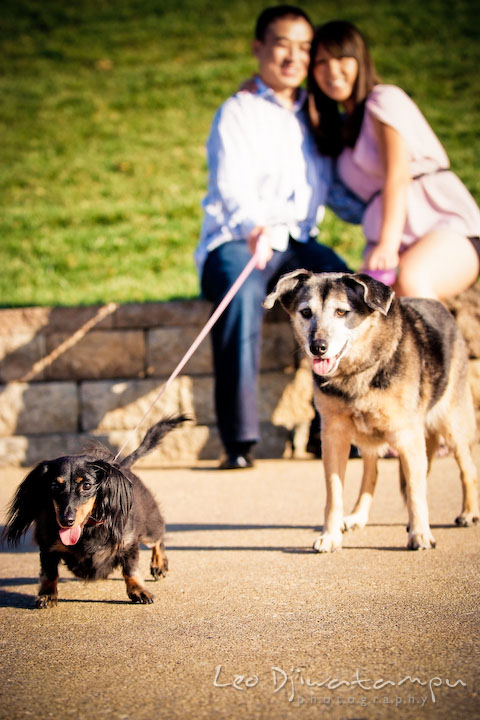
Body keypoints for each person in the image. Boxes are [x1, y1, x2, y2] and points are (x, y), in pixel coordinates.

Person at [196, 6, 364, 469]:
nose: (294, 57)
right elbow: (230, 186)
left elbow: (335, 191)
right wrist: (254, 227)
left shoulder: (315, 113)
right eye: (282, 44)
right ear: (259, 49)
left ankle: (328, 427)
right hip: (236, 239)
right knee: (242, 295)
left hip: (297, 241)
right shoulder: (238, 110)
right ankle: (239, 443)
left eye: (304, 48)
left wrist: (388, 215)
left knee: (350, 291)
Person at [307, 20, 480, 300]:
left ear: (360, 59)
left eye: (341, 57)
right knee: (371, 312)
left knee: (412, 280)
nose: (332, 70)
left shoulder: (383, 100)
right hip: (390, 243)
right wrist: (256, 85)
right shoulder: (338, 129)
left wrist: (388, 245)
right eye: (321, 62)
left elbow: (397, 175)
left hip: (443, 225)